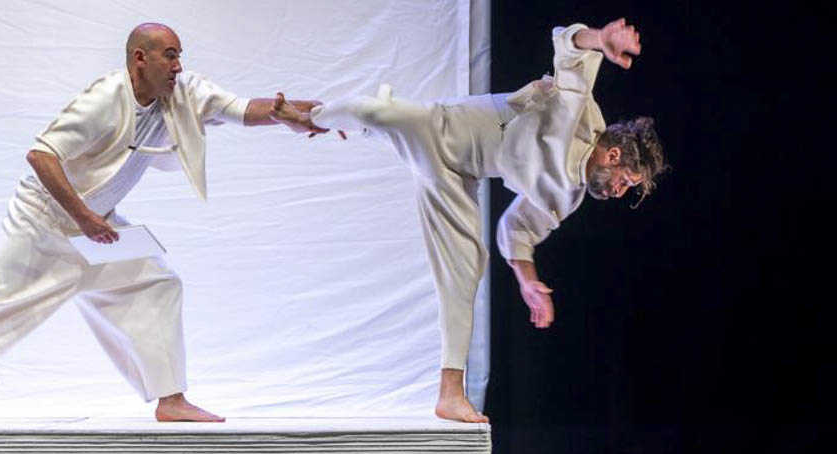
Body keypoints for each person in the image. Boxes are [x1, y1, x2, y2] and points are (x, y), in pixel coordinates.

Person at [0, 23, 323, 424]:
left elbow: (241, 109)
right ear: (140, 58)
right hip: (42, 220)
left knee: (156, 283)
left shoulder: (183, 91)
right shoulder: (104, 99)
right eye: (170, 55)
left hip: (98, 226)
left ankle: (171, 399)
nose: (178, 65)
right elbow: (41, 155)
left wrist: (286, 114)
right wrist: (83, 217)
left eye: (180, 56)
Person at [269, 18, 667, 423]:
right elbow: (567, 43)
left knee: (466, 269)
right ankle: (305, 116)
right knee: (378, 111)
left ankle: (450, 394)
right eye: (625, 182)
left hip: (457, 179)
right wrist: (600, 38)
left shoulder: (568, 196)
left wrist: (527, 281)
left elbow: (517, 229)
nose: (619, 192)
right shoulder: (577, 110)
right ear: (613, 156)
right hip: (439, 129)